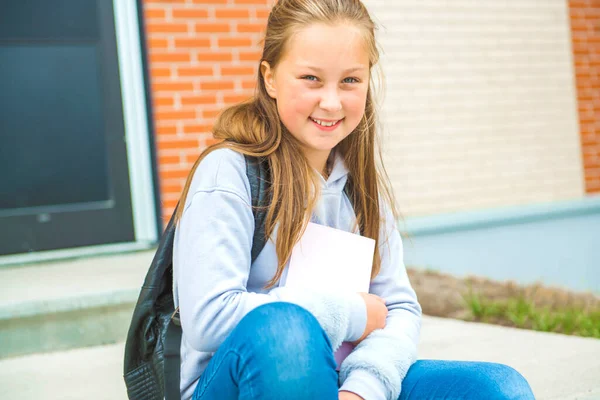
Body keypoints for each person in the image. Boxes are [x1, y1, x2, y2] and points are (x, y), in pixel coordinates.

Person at [171, 0, 536, 399]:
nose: (331, 102)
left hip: (344, 379)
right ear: (270, 77)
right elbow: (209, 317)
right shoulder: (229, 172)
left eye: (349, 80)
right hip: (240, 385)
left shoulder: (360, 187)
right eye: (311, 78)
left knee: (498, 388)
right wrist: (352, 313)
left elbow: (398, 310)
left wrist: (363, 389)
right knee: (286, 333)